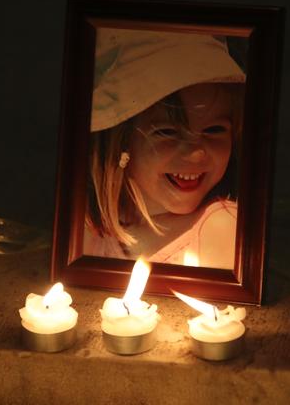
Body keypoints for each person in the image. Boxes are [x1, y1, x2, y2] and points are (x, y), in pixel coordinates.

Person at [83, 28, 246, 269]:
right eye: (167, 132)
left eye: (214, 130)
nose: (197, 153)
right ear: (121, 141)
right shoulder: (90, 230)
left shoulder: (222, 229)